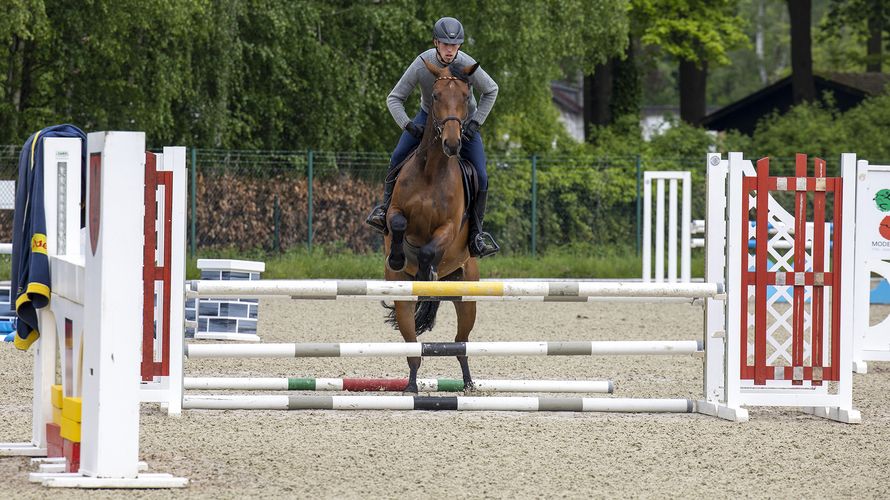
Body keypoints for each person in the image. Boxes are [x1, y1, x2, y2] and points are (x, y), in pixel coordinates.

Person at [365, 16, 500, 257]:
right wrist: (407, 125)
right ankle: (384, 211)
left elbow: (492, 90)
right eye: (445, 45)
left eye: (455, 45)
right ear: (436, 43)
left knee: (481, 174)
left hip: (462, 123)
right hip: (427, 118)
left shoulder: (467, 64)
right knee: (397, 157)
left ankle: (476, 234)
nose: (450, 50)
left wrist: (476, 122)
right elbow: (393, 98)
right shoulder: (421, 64)